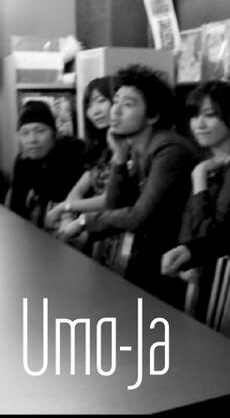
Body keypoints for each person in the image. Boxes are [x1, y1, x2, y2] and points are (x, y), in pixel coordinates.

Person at [58, 65, 196, 308]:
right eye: (116, 101)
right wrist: (120, 157)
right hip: (149, 265)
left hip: (173, 273)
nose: (116, 110)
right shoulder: (137, 147)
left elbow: (138, 217)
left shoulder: (170, 150)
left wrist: (83, 221)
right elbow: (114, 206)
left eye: (128, 104)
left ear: (153, 115)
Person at [160, 76, 230, 320]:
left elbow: (214, 230)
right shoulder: (208, 161)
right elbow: (188, 219)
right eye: (194, 116)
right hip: (202, 279)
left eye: (210, 115)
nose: (199, 124)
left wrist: (199, 178)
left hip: (229, 289)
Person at [46, 77, 113, 239]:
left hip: (113, 229)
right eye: (89, 106)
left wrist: (65, 208)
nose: (95, 111)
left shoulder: (129, 147)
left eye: (101, 101)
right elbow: (79, 189)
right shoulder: (100, 148)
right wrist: (66, 219)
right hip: (92, 227)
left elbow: (111, 199)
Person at [8, 100, 85, 228]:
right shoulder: (23, 162)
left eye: (40, 131)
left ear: (54, 133)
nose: (32, 139)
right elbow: (16, 208)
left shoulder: (74, 152)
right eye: (25, 133)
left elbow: (60, 195)